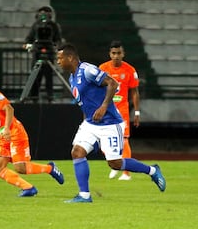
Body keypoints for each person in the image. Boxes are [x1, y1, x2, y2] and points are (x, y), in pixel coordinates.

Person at [56, 43, 166, 203]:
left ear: (70, 57)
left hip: (110, 123)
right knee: (77, 152)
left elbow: (113, 83)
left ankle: (152, 170)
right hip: (90, 124)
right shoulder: (72, 77)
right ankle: (84, 195)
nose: (58, 61)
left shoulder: (87, 70)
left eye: (60, 58)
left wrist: (104, 106)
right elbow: (86, 102)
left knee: (114, 163)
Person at [99, 40, 140, 181]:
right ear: (110, 54)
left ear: (123, 54)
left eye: (119, 53)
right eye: (113, 53)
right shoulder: (103, 68)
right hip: (106, 109)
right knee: (102, 140)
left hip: (122, 110)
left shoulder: (130, 70)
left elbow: (134, 92)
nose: (116, 56)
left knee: (124, 140)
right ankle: (115, 164)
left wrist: (137, 112)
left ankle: (126, 173)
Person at [23, 6, 62, 103]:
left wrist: (55, 46)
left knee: (49, 78)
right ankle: (33, 98)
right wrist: (29, 46)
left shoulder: (54, 26)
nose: (44, 15)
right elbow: (28, 39)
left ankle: (50, 97)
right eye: (42, 12)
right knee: (36, 77)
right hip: (37, 54)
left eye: (46, 13)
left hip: (49, 53)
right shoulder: (35, 25)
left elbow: (58, 39)